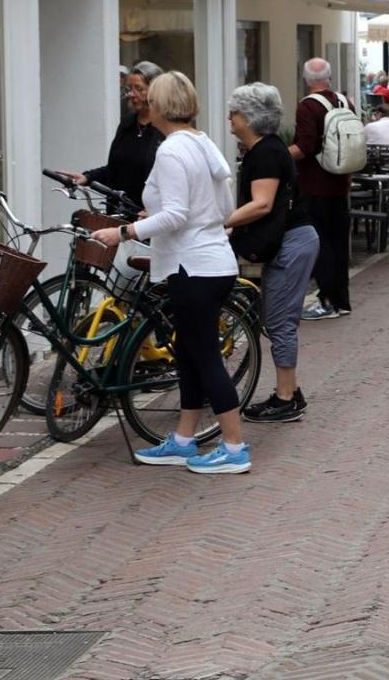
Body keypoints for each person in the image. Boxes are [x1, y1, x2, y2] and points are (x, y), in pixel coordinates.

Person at [92, 72, 251, 474]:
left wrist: (123, 231)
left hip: (192, 265)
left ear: (159, 106)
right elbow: (221, 206)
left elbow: (179, 214)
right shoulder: (202, 143)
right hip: (212, 260)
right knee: (189, 353)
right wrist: (169, 217)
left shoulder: (170, 151)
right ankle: (184, 438)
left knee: (204, 355)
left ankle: (234, 446)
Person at [226, 83, 319, 425]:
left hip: (292, 243)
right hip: (295, 239)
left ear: (248, 118)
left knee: (280, 320)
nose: (230, 119)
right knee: (278, 318)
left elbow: (262, 203)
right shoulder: (268, 149)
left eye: (234, 113)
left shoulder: (265, 153)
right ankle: (288, 391)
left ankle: (285, 398)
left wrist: (220, 221)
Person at [288, 57, 353, 321]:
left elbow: (305, 146)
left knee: (320, 243)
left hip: (314, 184)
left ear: (305, 79)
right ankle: (342, 300)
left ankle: (326, 301)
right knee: (338, 243)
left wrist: (278, 156)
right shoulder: (344, 101)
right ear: (329, 76)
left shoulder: (307, 106)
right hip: (341, 182)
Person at [62, 61, 164, 208]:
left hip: (148, 219)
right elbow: (116, 168)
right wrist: (87, 177)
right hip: (118, 213)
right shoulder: (128, 123)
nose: (131, 94)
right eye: (129, 88)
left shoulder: (164, 128)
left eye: (138, 89)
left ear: (156, 91)